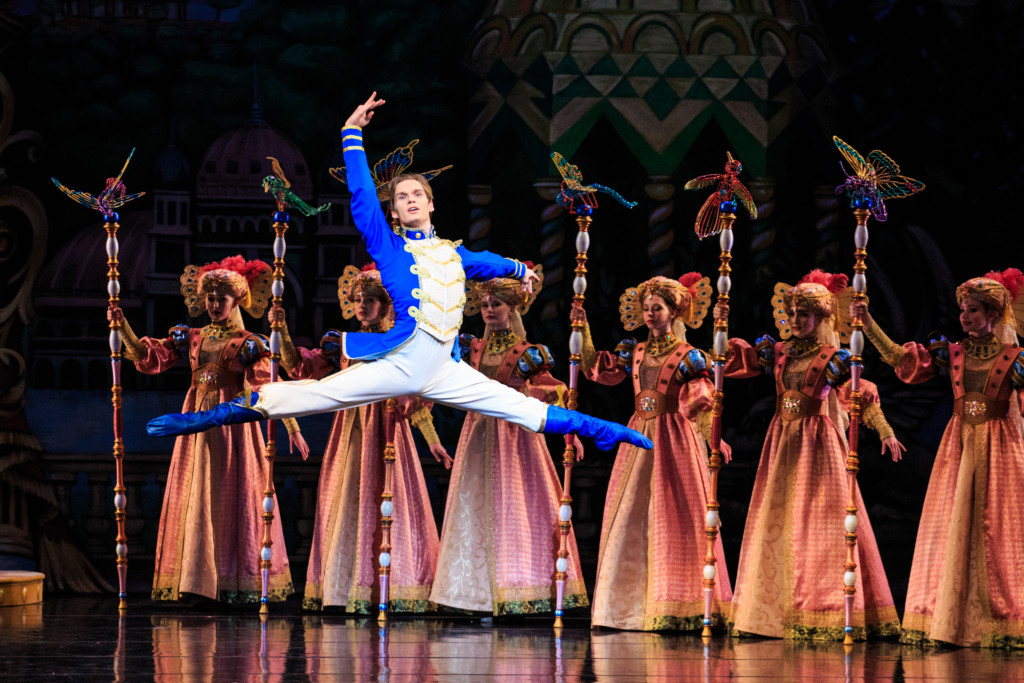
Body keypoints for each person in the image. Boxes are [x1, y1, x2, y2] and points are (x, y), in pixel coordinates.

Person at [146, 93, 651, 453]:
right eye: (401, 198)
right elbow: (363, 198)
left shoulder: (454, 256)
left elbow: (491, 262)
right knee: (309, 396)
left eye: (416, 194)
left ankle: (613, 432)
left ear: (431, 203)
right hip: (403, 359)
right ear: (396, 213)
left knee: (526, 411)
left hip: (448, 369)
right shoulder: (391, 251)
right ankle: (206, 420)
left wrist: (521, 269)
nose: (408, 200)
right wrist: (351, 135)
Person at [719, 270, 904, 639]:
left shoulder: (833, 358)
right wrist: (720, 332)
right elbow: (733, 362)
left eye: (804, 314)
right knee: (777, 518)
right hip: (782, 440)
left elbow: (858, 396)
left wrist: (885, 430)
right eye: (793, 313)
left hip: (817, 442)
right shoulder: (780, 351)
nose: (796, 320)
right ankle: (773, 607)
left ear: (820, 318)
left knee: (819, 520)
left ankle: (823, 606)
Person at [111, 255, 307, 604]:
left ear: (235, 301)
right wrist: (123, 325)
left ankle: (233, 579)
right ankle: (195, 579)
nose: (214, 305)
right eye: (210, 299)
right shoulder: (193, 337)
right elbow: (147, 356)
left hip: (232, 425)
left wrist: (292, 427)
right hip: (196, 421)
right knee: (197, 494)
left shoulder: (249, 343)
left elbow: (268, 389)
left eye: (222, 299)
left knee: (230, 493)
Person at [852, 268, 1024, 648]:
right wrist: (866, 323)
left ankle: (1001, 615)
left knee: (994, 526)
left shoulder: (1015, 358)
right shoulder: (953, 353)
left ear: (993, 315)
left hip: (1000, 446)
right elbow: (901, 359)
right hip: (959, 443)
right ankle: (949, 613)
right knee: (955, 524)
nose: (965, 317)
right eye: (962, 309)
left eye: (973, 310)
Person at [273, 263, 452, 613]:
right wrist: (281, 330)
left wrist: (431, 439)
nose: (362, 306)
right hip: (350, 433)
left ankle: (394, 584)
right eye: (357, 300)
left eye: (370, 300)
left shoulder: (400, 344)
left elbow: (413, 401)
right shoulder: (344, 344)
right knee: (348, 501)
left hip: (386, 430)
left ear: (386, 305)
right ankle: (343, 588)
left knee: (388, 500)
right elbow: (299, 367)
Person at [575, 273, 733, 631]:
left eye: (656, 308)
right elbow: (594, 368)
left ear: (673, 310)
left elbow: (701, 402)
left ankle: (678, 601)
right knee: (631, 513)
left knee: (672, 513)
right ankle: (627, 605)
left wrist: (714, 438)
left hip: (674, 436)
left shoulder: (689, 356)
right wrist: (581, 328)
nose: (649, 314)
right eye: (645, 308)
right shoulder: (635, 350)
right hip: (638, 434)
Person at [429, 270, 588, 615]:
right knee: (474, 505)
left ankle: (518, 587)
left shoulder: (528, 353)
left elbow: (555, 391)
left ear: (512, 308)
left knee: (514, 506)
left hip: (515, 436)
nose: (488, 310)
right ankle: (473, 595)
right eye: (484, 304)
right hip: (478, 433)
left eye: (496, 304)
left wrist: (569, 433)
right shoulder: (475, 348)